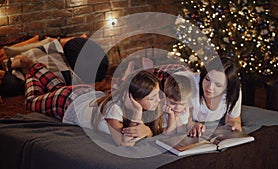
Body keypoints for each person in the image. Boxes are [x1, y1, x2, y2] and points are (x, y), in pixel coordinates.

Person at [11, 55, 165, 146]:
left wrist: (148, 130)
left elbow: (156, 131)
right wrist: (138, 115)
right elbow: (125, 142)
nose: (158, 100)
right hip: (67, 102)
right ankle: (28, 73)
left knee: (57, 86)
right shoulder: (114, 109)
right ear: (133, 99)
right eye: (152, 97)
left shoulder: (150, 107)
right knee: (31, 101)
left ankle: (32, 65)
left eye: (157, 94)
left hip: (85, 93)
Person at [189, 57, 242, 137]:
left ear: (227, 87)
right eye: (207, 79)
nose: (209, 87)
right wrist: (190, 124)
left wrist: (234, 125)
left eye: (218, 85)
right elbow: (176, 116)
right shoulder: (191, 85)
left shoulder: (233, 92)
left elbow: (233, 119)